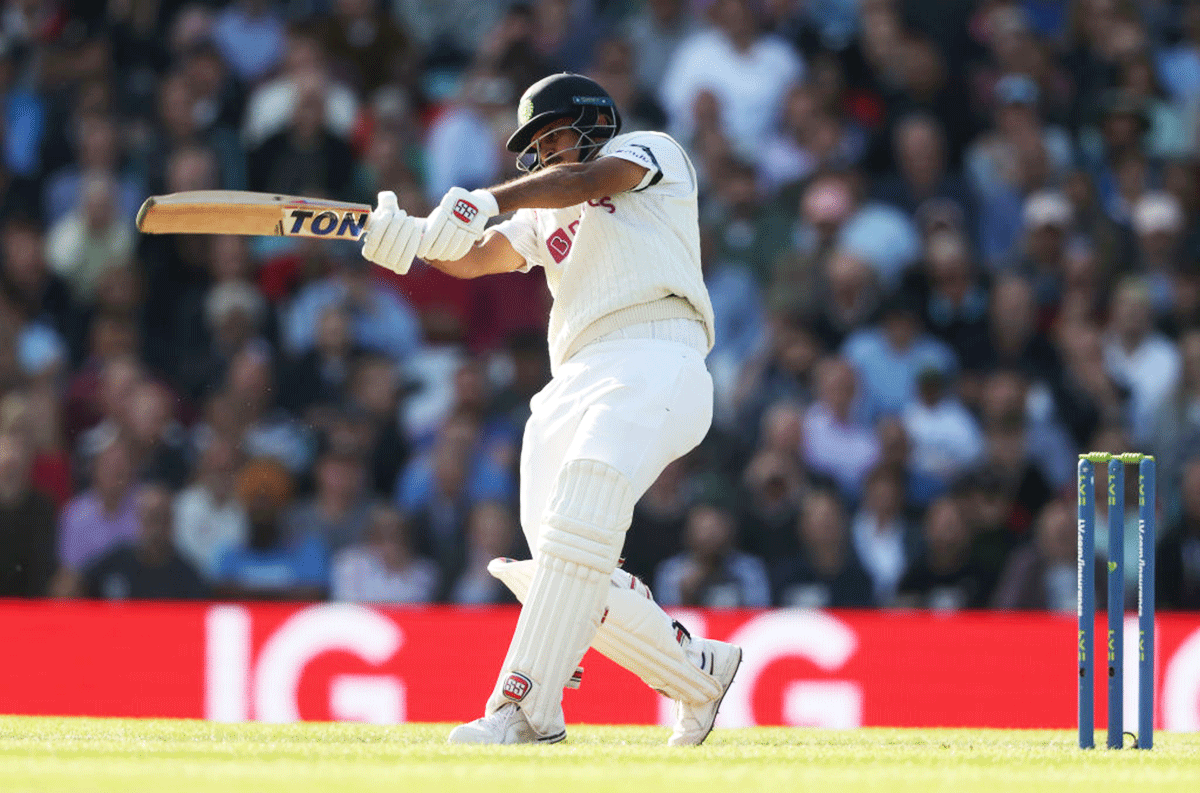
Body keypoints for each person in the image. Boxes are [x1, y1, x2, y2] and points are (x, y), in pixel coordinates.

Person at [360, 73, 741, 746]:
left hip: (658, 352)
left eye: (553, 134)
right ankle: (698, 672)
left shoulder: (651, 152)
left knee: (582, 515)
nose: (544, 152)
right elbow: (479, 255)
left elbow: (586, 182)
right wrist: (411, 240)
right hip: (575, 376)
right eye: (532, 143)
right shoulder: (543, 210)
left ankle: (525, 709)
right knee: (557, 566)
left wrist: (484, 198)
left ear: (594, 123)